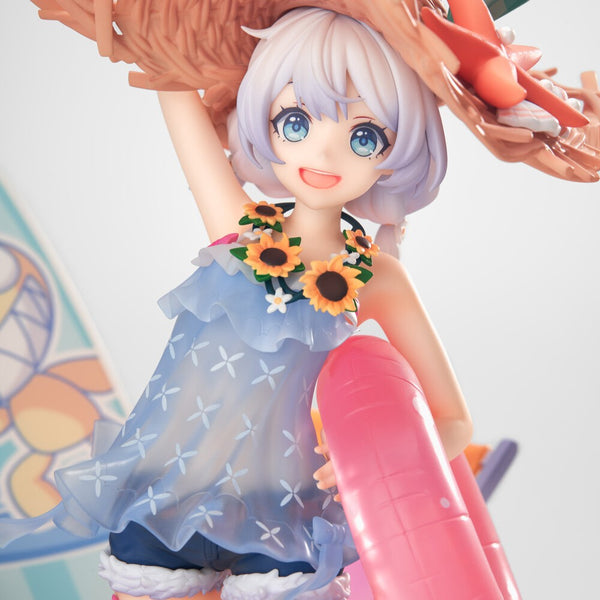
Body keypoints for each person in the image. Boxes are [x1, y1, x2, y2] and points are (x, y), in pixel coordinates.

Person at [4, 2, 599, 599]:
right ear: (263, 118)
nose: (323, 155)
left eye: (364, 137)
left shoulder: (377, 277)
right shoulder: (238, 233)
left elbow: (452, 421)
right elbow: (172, 84)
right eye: (295, 122)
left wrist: (380, 466)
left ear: (398, 153)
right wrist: (156, 24)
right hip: (170, 498)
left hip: (281, 517)